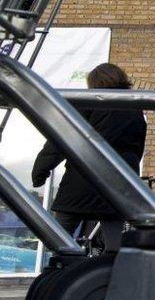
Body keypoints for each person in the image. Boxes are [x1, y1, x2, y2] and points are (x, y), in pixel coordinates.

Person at [31, 63, 146, 253]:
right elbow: (137, 149)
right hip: (118, 184)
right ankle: (110, 279)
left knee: (59, 240)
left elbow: (60, 138)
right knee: (114, 246)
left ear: (94, 82)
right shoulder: (135, 108)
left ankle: (58, 277)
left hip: (81, 180)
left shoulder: (89, 101)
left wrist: (41, 170)